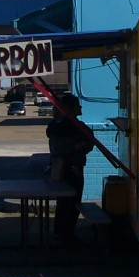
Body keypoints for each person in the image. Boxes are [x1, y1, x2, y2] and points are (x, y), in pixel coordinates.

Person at [46, 92, 93, 244]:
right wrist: (78, 146)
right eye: (77, 105)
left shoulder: (57, 125)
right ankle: (66, 235)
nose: (80, 107)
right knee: (70, 204)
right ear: (70, 109)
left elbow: (88, 142)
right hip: (72, 169)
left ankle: (62, 232)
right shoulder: (71, 127)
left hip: (64, 168)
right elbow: (84, 142)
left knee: (64, 203)